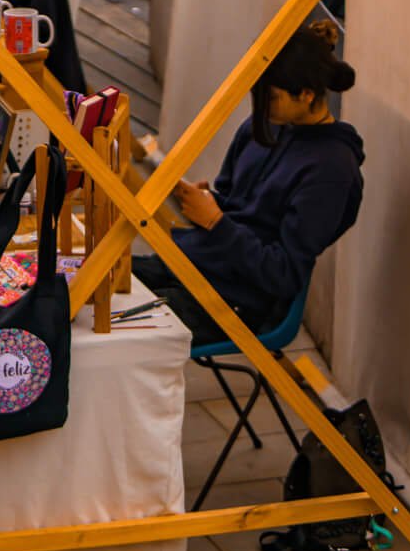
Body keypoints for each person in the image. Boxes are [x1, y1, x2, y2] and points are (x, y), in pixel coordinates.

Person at [131, 20, 364, 346]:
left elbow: (282, 275)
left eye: (271, 97)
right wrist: (209, 202)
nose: (261, 107)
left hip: (236, 301)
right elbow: (233, 202)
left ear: (307, 95)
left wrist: (215, 220)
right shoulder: (265, 125)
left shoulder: (331, 170)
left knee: (102, 327)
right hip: (197, 268)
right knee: (79, 284)